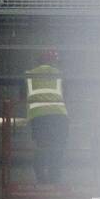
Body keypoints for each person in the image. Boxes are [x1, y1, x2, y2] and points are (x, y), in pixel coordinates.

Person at [24, 49, 69, 185]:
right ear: (54, 61)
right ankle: (55, 180)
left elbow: (22, 95)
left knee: (42, 147)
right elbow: (65, 94)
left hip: (39, 118)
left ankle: (41, 178)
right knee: (58, 149)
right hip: (59, 117)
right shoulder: (59, 74)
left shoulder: (29, 75)